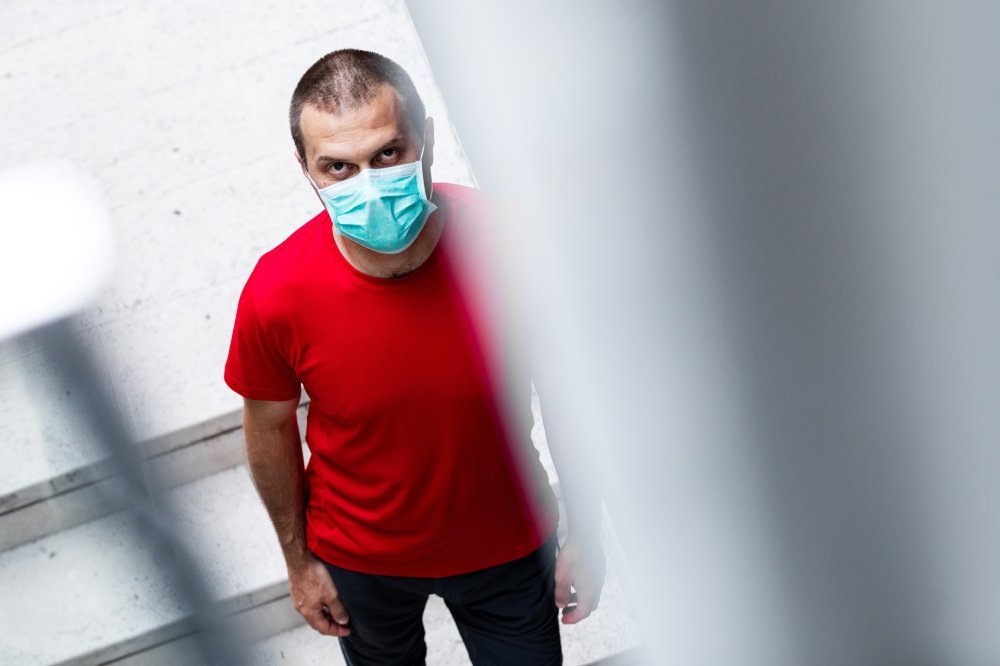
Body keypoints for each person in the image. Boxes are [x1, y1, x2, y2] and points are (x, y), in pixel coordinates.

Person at [224, 49, 605, 665]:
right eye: (338, 167)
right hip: (358, 563)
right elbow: (267, 423)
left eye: (387, 154)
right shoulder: (277, 292)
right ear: (305, 168)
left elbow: (571, 392)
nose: (369, 184)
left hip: (507, 542)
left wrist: (587, 529)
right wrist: (297, 560)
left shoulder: (509, 241)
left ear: (424, 138)